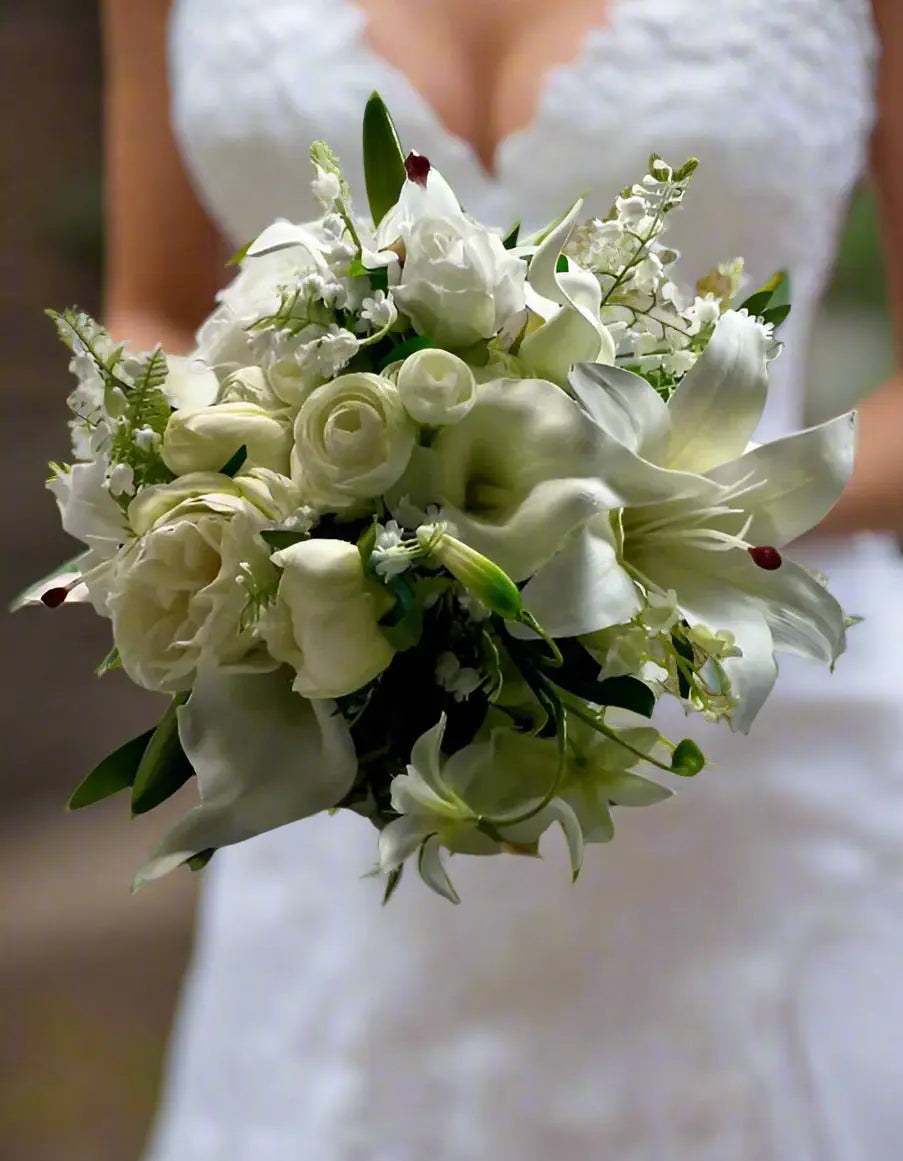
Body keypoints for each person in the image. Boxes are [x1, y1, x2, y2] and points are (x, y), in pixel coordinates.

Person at [103, 1, 903, 1157]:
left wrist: (660, 506)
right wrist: (279, 490)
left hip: (757, 764)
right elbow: (155, 310)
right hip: (345, 789)